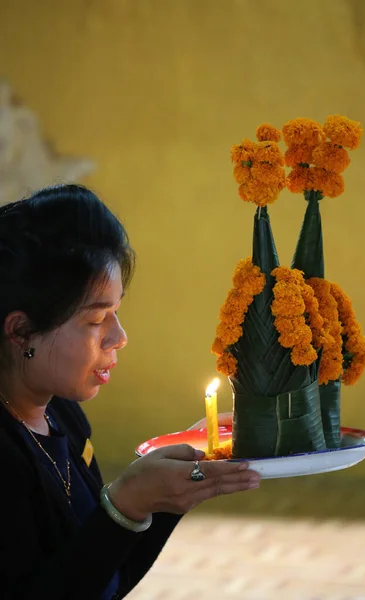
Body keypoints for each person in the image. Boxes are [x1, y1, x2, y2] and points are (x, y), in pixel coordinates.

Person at [0, 184, 260, 600]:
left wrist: (166, 493)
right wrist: (126, 505)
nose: (119, 338)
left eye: (116, 312)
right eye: (97, 319)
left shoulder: (61, 413)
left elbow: (105, 580)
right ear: (20, 330)